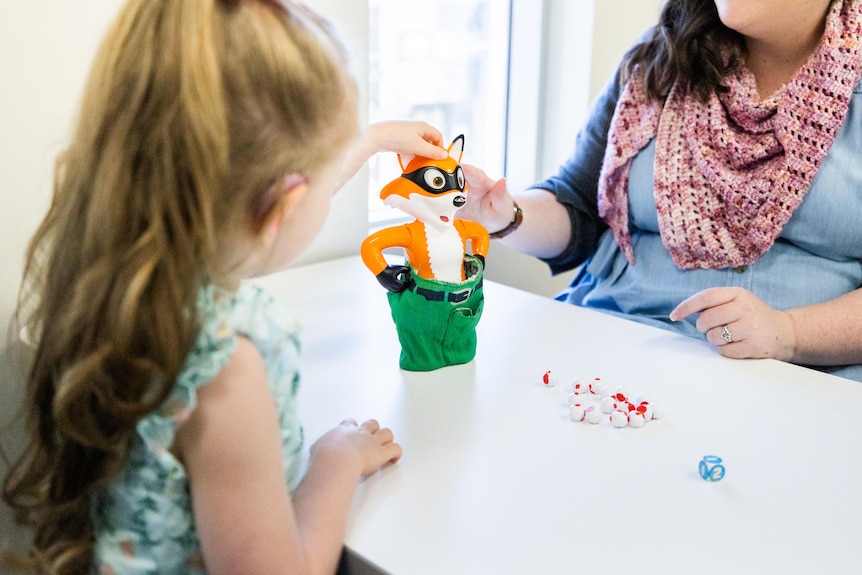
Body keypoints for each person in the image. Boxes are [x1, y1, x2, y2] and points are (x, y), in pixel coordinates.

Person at [1, 1, 448, 573]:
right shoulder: (223, 372)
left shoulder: (110, 276)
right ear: (279, 209)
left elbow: (273, 208)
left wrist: (366, 143)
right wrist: (335, 462)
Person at [460, 0, 862, 382]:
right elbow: (580, 207)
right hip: (616, 344)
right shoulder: (661, 54)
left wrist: (788, 333)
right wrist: (504, 215)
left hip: (804, 379)